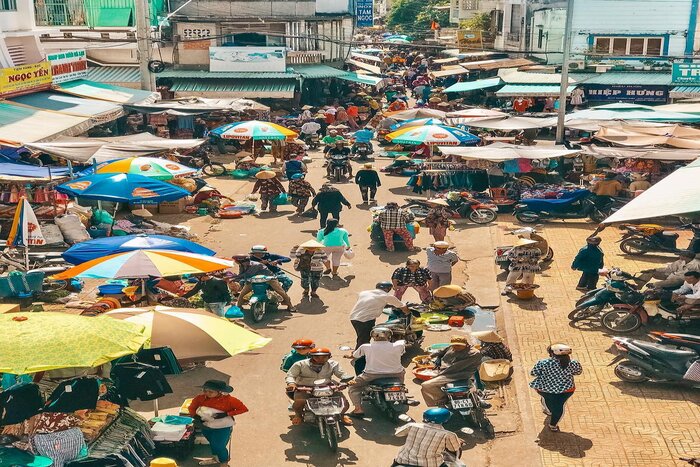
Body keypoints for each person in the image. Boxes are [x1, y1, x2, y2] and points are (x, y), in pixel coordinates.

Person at [285, 347, 355, 426]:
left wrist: (347, 379)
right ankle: (298, 415)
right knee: (299, 401)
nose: (320, 359)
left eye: (324, 357)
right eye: (317, 357)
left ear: (329, 357)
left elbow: (341, 374)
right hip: (305, 387)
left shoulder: (333, 364)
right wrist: (291, 383)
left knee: (344, 403)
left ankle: (342, 416)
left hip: (327, 386)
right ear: (311, 356)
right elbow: (291, 375)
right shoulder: (300, 364)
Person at [348, 327, 407, 417]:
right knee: (402, 374)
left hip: (371, 375)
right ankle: (400, 390)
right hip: (397, 374)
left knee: (353, 387)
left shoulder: (366, 346)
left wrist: (350, 355)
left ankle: (358, 409)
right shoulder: (399, 345)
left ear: (373, 336)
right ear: (389, 336)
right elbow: (402, 351)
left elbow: (355, 355)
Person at [188, 380, 248, 466]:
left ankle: (224, 463)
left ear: (219, 392)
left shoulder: (230, 400)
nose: (207, 393)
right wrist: (196, 416)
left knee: (219, 446)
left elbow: (243, 409)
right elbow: (192, 408)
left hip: (223, 427)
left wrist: (226, 414)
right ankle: (215, 459)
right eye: (205, 390)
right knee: (212, 443)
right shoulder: (199, 398)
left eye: (210, 392)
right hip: (206, 426)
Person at [530, 344, 582, 432]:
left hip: (544, 390)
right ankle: (553, 425)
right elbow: (578, 372)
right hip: (566, 391)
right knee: (559, 407)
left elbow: (533, 373)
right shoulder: (574, 363)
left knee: (546, 401)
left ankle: (549, 411)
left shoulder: (543, 363)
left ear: (552, 353)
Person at [420, 335, 482, 407]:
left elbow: (456, 367)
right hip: (447, 371)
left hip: (458, 374)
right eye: (454, 345)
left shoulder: (474, 354)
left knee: (426, 385)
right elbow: (441, 351)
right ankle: (445, 397)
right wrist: (430, 356)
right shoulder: (452, 347)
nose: (455, 347)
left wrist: (439, 375)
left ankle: (441, 399)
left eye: (458, 346)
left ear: (466, 344)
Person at [392, 408, 462, 467]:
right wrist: (459, 442)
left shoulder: (412, 425)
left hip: (403, 461)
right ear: (446, 420)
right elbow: (454, 449)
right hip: (430, 464)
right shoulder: (449, 435)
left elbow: (397, 433)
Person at [349, 282, 409, 349]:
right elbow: (402, 306)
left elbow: (370, 303)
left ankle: (360, 351)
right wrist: (408, 312)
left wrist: (387, 305)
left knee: (362, 336)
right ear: (388, 289)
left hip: (354, 317)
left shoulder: (364, 293)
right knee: (364, 338)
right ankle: (358, 354)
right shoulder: (386, 296)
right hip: (365, 319)